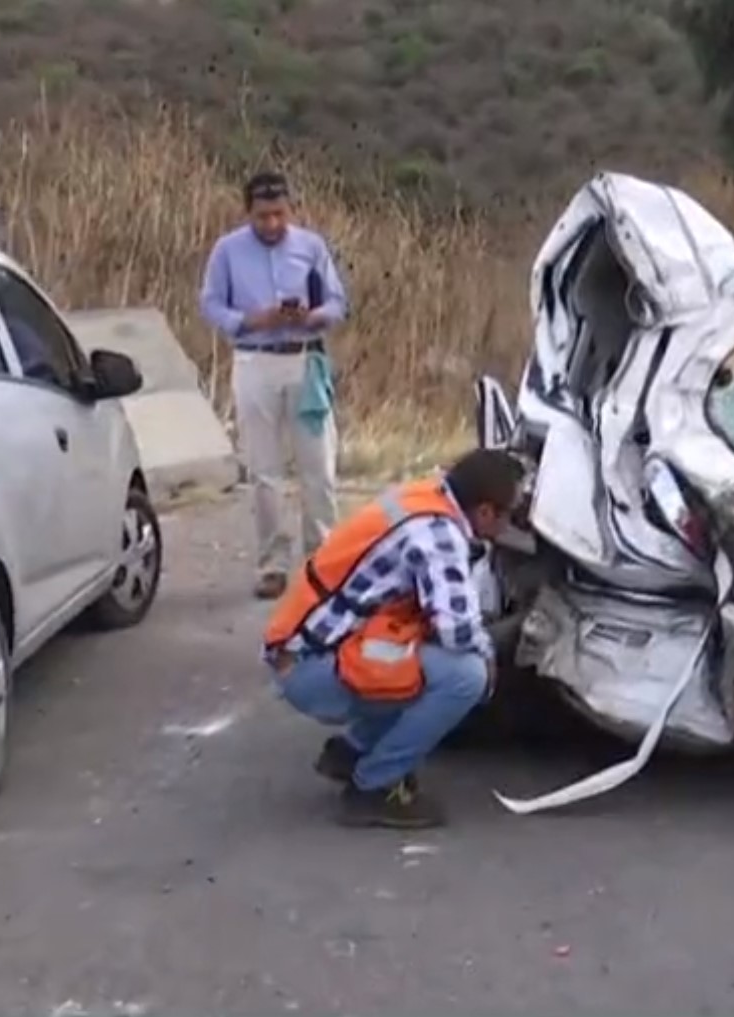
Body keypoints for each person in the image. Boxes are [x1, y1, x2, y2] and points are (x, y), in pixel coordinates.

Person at [260, 448, 527, 829]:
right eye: (511, 514)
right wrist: (489, 654)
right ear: (485, 512)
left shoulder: (428, 496)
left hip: (300, 647)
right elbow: (456, 632)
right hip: (310, 668)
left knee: (426, 655)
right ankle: (375, 785)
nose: (513, 524)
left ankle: (354, 751)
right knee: (466, 677)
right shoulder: (440, 536)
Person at [198, 170, 351, 600]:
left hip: (304, 360)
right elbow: (210, 303)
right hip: (254, 360)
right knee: (264, 472)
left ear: (290, 210)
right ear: (248, 213)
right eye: (263, 216)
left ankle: (324, 561)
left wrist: (312, 316)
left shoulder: (311, 247)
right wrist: (250, 320)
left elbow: (338, 302)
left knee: (317, 467)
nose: (272, 224)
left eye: (279, 214)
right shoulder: (227, 251)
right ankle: (272, 564)